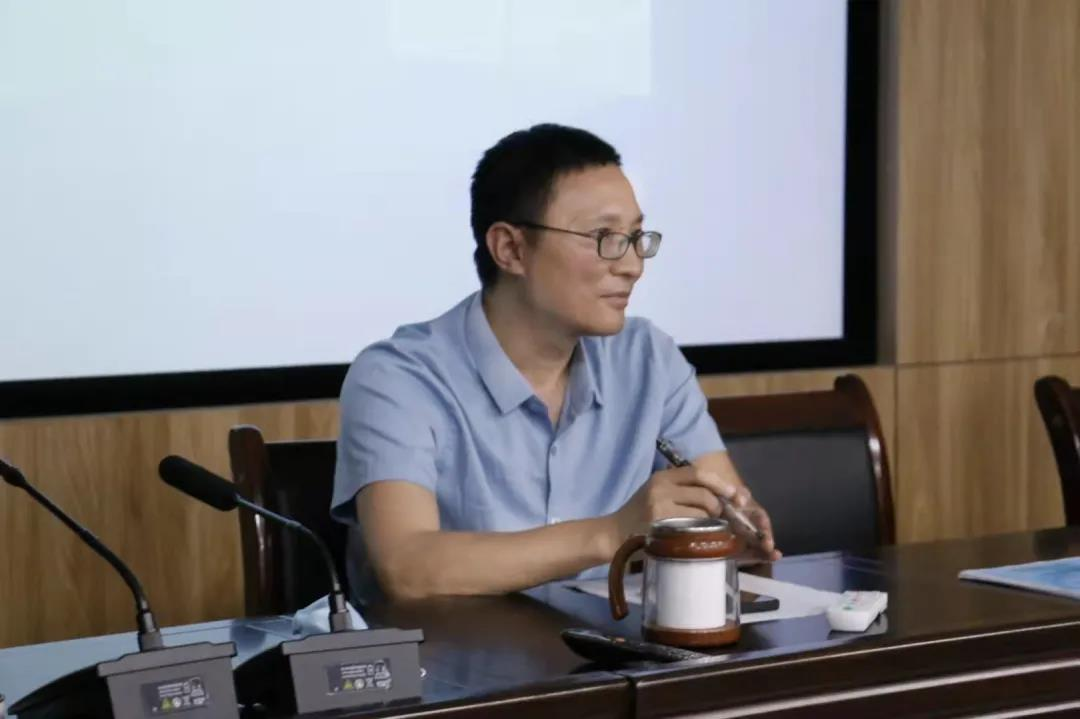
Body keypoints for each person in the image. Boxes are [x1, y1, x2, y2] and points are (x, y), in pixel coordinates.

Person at [331, 123, 779, 603]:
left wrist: (736, 532)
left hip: (609, 643)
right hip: (455, 649)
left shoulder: (648, 358)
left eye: (636, 236)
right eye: (604, 236)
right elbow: (407, 568)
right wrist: (612, 532)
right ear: (511, 249)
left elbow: (728, 519)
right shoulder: (398, 377)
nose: (633, 266)